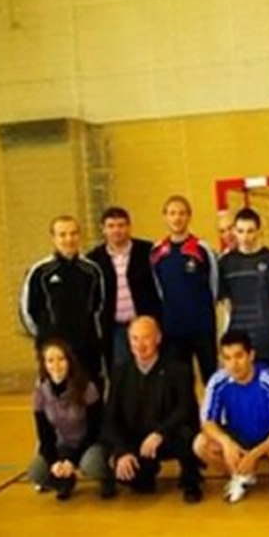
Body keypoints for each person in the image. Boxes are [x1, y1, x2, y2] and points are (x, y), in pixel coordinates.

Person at [101, 316, 203, 502]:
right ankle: (146, 471)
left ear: (158, 338)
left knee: (187, 435)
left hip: (169, 436)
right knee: (136, 482)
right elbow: (111, 417)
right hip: (138, 441)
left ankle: (190, 479)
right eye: (134, 338)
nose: (140, 345)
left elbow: (185, 409)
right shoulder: (120, 372)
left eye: (146, 338)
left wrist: (160, 432)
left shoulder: (178, 369)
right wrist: (122, 451)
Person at [194, 331, 269, 503]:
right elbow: (207, 422)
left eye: (239, 356)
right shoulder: (218, 381)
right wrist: (227, 443)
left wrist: (254, 455)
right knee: (201, 444)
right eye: (227, 358)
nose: (233, 364)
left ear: (251, 355)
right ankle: (241, 476)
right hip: (239, 438)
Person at [20, 215, 105, 386]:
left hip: (86, 347)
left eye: (73, 234)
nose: (69, 239)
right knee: (55, 400)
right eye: (63, 234)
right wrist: (47, 338)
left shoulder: (92, 271)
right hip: (53, 349)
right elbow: (28, 312)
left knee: (91, 398)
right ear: (53, 237)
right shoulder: (40, 272)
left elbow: (99, 306)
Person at [28, 338, 112, 500]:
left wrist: (72, 461)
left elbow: (95, 430)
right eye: (50, 361)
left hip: (89, 444)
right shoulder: (40, 394)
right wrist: (54, 463)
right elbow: (45, 436)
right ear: (44, 365)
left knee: (91, 465)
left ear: (69, 361)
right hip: (63, 445)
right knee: (36, 472)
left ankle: (107, 478)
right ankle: (64, 482)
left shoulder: (87, 388)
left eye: (61, 359)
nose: (56, 365)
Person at [150, 195, 219, 387]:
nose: (177, 218)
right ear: (165, 217)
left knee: (210, 376)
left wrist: (205, 313)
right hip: (173, 328)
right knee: (180, 381)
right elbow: (158, 289)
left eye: (181, 213)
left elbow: (214, 286)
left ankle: (214, 416)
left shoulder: (202, 249)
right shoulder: (157, 252)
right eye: (172, 213)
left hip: (202, 326)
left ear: (189, 217)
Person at [86, 206, 162, 379]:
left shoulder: (148, 251)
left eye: (121, 225)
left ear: (129, 227)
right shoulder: (94, 259)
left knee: (151, 371)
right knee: (121, 373)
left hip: (145, 323)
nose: (116, 230)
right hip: (116, 327)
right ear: (103, 229)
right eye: (111, 226)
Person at [217, 208, 269, 380]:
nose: (245, 236)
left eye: (250, 231)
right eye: (240, 231)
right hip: (239, 340)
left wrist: (267, 321)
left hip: (268, 339)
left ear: (259, 230)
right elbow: (227, 302)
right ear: (235, 231)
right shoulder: (226, 263)